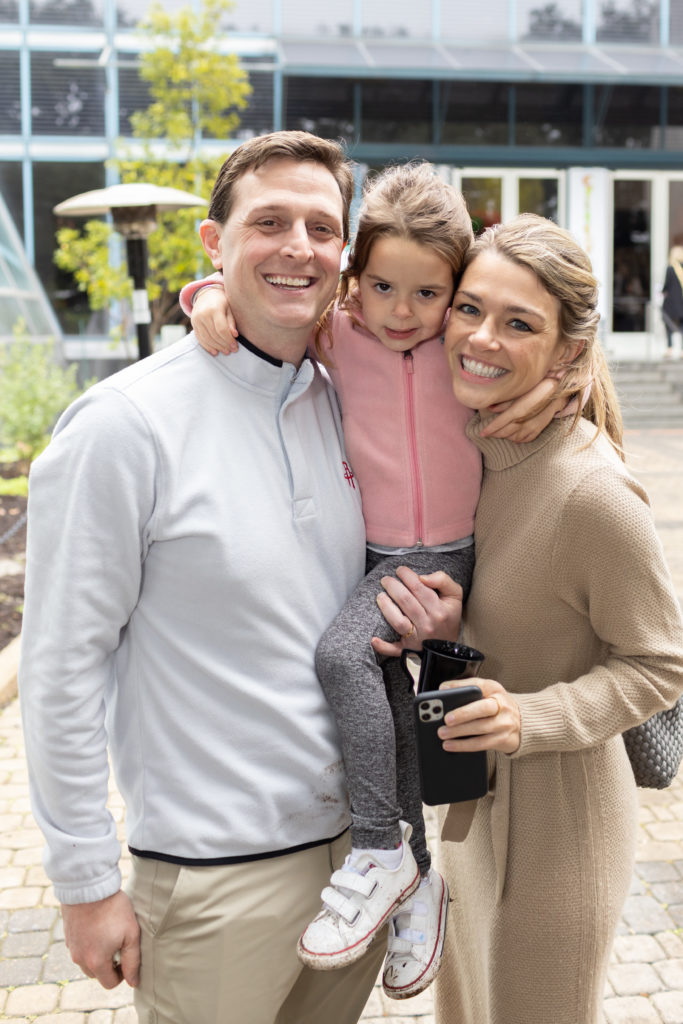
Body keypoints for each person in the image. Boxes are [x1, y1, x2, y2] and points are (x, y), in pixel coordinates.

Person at [19, 131, 398, 1024]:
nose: (298, 247)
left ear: (343, 256)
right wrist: (83, 881)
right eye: (269, 221)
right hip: (213, 885)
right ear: (212, 243)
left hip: (354, 869)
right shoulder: (124, 426)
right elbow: (60, 667)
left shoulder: (347, 401)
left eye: (321, 227)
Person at [179, 166, 573, 999]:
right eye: (383, 287)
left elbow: (558, 355)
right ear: (355, 282)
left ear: (455, 290)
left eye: (429, 293)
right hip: (375, 555)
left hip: (450, 555)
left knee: (341, 660)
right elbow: (265, 311)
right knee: (388, 695)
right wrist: (206, 297)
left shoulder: (461, 349)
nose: (403, 311)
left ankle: (379, 847)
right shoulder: (340, 334)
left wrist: (565, 381)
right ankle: (415, 879)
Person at [373, 213, 683, 1024]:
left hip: (559, 825)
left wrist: (529, 716)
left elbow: (660, 664)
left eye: (519, 324)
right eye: (470, 309)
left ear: (568, 351)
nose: (480, 338)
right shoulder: (469, 450)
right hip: (473, 809)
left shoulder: (589, 492)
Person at [661, 245, 683, 357]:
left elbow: (666, 286)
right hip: (681, 302)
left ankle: (670, 348)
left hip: (671, 303)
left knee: (668, 325)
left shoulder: (670, 269)